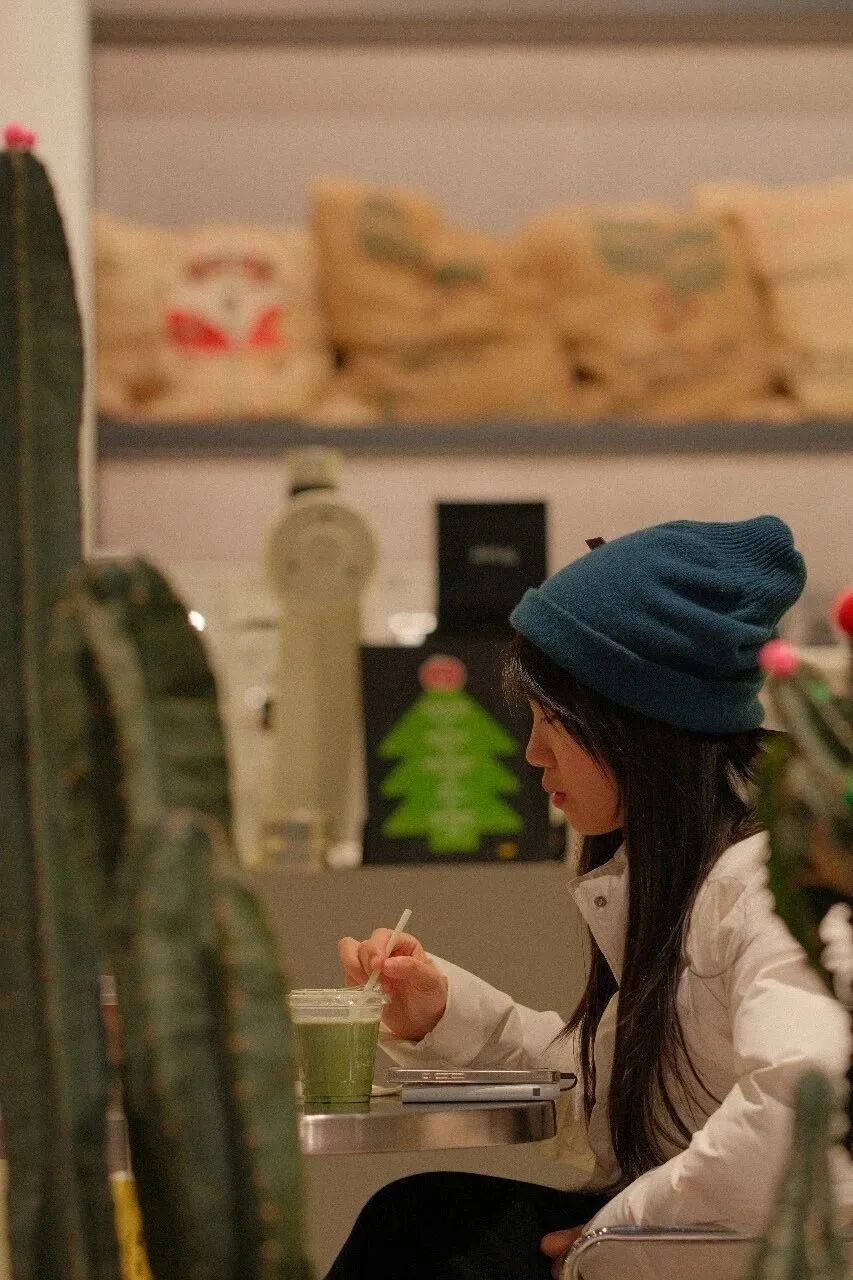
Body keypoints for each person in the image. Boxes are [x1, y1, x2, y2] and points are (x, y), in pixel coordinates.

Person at [330, 516, 851, 1280]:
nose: (532, 753)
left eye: (552, 721)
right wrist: (441, 1013)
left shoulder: (765, 889)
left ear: (635, 726)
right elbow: (621, 1095)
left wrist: (611, 1244)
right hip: (685, 1244)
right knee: (417, 1217)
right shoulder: (682, 873)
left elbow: (799, 1106)